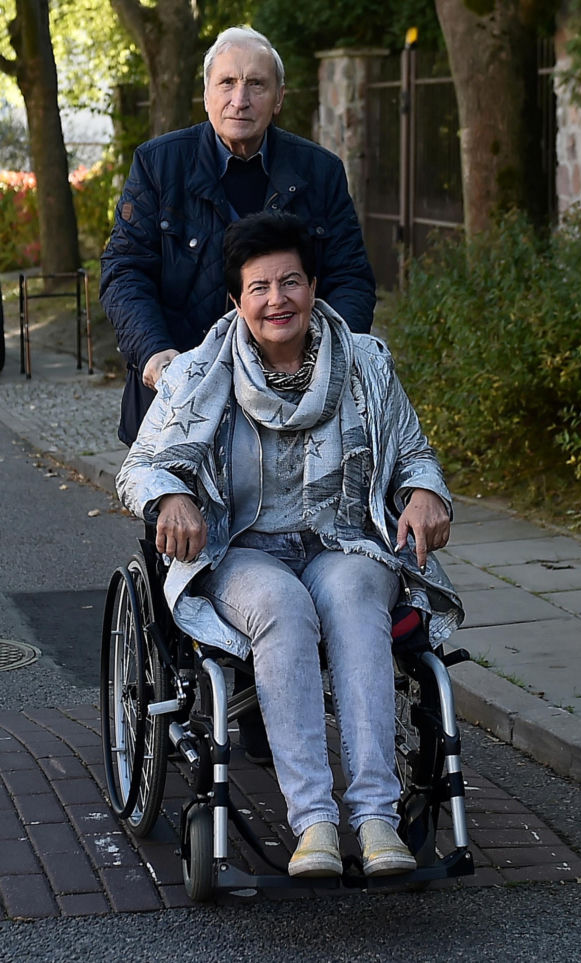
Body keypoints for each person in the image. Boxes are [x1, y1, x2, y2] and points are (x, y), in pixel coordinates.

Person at [116, 211, 463, 878]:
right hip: (241, 550)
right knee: (282, 604)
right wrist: (173, 496)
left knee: (361, 591)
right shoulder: (197, 372)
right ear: (236, 300)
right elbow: (139, 468)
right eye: (259, 287)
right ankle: (314, 824)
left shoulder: (364, 362)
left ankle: (375, 816)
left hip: (340, 539)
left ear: (314, 286)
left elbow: (415, 455)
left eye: (291, 282)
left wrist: (425, 493)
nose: (278, 300)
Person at [100, 25, 375, 447]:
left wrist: (325, 361)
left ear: (279, 97)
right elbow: (124, 271)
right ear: (207, 93)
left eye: (256, 84)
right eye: (227, 82)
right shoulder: (158, 165)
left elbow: (351, 277)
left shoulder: (321, 172)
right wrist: (155, 355)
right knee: (180, 515)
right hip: (177, 409)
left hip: (293, 411)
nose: (240, 100)